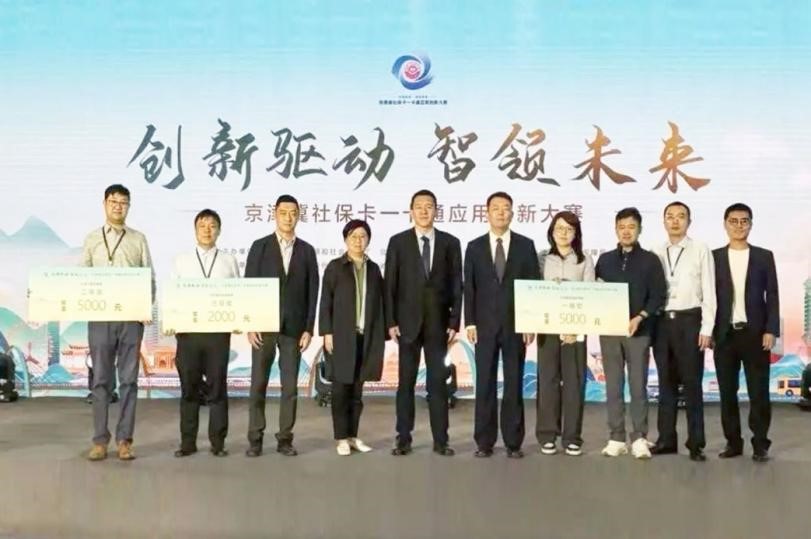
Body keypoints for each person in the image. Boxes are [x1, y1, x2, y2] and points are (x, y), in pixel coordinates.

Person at [385, 190, 463, 457]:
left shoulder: (450, 243)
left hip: (438, 326)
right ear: (411, 211)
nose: (423, 211)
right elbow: (390, 284)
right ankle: (403, 438)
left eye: (429, 206)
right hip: (406, 325)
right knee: (405, 384)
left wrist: (454, 321)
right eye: (418, 206)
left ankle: (441, 440)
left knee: (437, 384)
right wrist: (391, 321)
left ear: (436, 211)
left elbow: (457, 285)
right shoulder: (398, 242)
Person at [464, 192, 541, 458]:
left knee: (513, 383)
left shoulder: (525, 246)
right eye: (495, 208)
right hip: (484, 326)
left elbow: (533, 285)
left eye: (505, 208)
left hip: (516, 326)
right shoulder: (474, 247)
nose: (500, 212)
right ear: (486, 213)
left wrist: (530, 322)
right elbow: (469, 288)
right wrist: (470, 322)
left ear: (512, 213)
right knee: (484, 383)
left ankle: (513, 442)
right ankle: (484, 442)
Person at [81, 184, 155, 461]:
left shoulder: (138, 239)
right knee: (101, 380)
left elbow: (149, 277)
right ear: (105, 204)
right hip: (101, 319)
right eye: (114, 201)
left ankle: (125, 440)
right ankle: (100, 440)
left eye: (123, 202)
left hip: (130, 320)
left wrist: (144, 307)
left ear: (129, 207)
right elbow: (82, 279)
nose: (118, 206)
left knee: (129, 381)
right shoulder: (92, 239)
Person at [244, 195, 319, 457]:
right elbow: (249, 285)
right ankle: (255, 438)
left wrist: (309, 328)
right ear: (274, 214)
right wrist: (250, 324)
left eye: (293, 213)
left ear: (299, 216)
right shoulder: (260, 247)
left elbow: (313, 291)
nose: (288, 217)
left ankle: (285, 438)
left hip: (294, 330)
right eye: (283, 212)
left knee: (289, 388)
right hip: (263, 326)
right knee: (258, 384)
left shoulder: (307, 250)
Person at [595, 207, 667, 459]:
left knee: (638, 386)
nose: (626, 231)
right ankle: (616, 437)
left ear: (639, 230)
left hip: (639, 331)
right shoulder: (604, 260)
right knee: (613, 386)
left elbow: (658, 295)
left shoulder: (650, 260)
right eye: (622, 227)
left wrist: (640, 317)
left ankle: (639, 437)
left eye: (631, 227)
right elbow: (594, 293)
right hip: (609, 332)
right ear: (616, 229)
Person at [169, 209, 240, 458]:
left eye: (212, 226)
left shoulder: (229, 260)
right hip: (188, 334)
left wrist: (239, 319)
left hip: (218, 335)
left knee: (217, 388)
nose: (207, 230)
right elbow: (173, 296)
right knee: (189, 389)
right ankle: (187, 442)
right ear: (195, 230)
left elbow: (237, 295)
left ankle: (218, 443)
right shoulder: (181, 260)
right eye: (202, 225)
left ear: (219, 231)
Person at [712, 203, 778, 463]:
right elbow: (708, 298)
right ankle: (733, 443)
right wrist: (709, 330)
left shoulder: (764, 256)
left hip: (756, 334)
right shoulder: (714, 257)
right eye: (733, 221)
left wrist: (771, 329)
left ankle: (760, 443)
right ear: (725, 224)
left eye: (744, 221)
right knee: (727, 393)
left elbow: (772, 295)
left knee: (759, 393)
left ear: (751, 224)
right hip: (725, 335)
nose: (739, 225)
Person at [652, 201, 716, 461]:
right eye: (670, 216)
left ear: (689, 221)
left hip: (690, 320)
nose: (675, 221)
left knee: (692, 384)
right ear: (664, 221)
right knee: (665, 383)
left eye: (681, 216)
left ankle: (696, 443)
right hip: (662, 323)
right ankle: (666, 440)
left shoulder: (700, 249)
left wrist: (707, 327)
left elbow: (709, 291)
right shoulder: (655, 251)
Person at [319, 220, 387, 456]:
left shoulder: (374, 269)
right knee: (341, 390)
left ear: (368, 240)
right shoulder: (335, 267)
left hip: (365, 338)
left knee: (357, 392)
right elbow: (325, 302)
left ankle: (353, 436)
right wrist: (327, 332)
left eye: (363, 236)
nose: (358, 240)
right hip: (341, 337)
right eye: (353, 236)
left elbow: (381, 303)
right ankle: (341, 438)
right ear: (345, 239)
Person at [536, 211, 595, 457]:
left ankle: (572, 437)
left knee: (574, 383)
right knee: (547, 382)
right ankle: (547, 435)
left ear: (576, 234)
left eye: (569, 229)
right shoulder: (541, 258)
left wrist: (577, 330)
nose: (563, 233)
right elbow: (533, 292)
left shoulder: (584, 260)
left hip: (574, 331)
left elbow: (591, 295)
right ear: (551, 231)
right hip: (547, 329)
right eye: (559, 228)